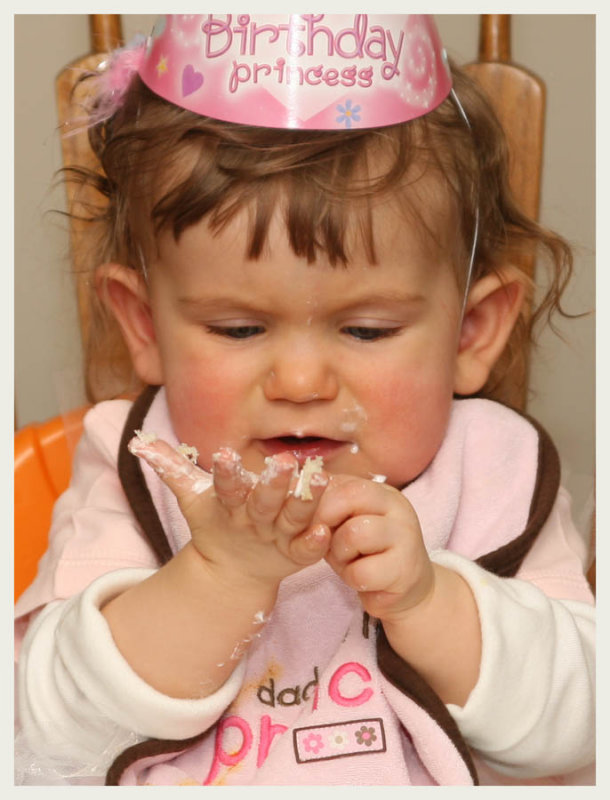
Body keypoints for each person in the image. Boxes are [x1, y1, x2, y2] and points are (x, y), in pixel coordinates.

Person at [15, 14, 595, 786]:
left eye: (365, 329)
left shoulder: (494, 472)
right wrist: (218, 575)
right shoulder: (143, 462)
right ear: (144, 327)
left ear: (471, 335)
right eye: (238, 326)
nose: (299, 383)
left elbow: (584, 730)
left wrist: (429, 602)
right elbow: (49, 733)